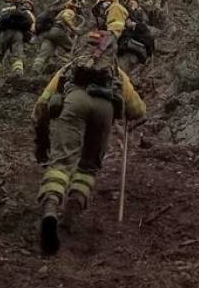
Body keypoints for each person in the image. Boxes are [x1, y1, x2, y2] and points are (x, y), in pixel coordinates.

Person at [32, 30, 146, 255]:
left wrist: (40, 129)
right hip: (105, 110)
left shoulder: (70, 68)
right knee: (89, 165)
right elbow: (139, 110)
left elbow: (43, 102)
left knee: (62, 162)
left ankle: (51, 207)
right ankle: (72, 212)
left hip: (74, 100)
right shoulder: (115, 73)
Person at [0, 0, 36, 76]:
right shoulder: (26, 12)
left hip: (4, 33)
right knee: (17, 55)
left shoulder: (5, 10)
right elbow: (32, 26)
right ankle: (18, 74)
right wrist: (29, 37)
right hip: (18, 34)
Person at [32, 0, 82, 74]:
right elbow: (65, 17)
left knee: (43, 54)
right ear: (75, 7)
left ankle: (35, 69)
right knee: (73, 48)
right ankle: (64, 65)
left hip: (48, 33)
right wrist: (74, 28)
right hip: (58, 31)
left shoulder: (59, 12)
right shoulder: (70, 11)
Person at [119, 0, 154, 70]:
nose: (132, 3)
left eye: (133, 1)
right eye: (130, 1)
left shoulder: (139, 12)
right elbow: (127, 22)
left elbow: (144, 22)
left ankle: (148, 57)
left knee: (148, 38)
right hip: (127, 34)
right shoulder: (125, 10)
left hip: (137, 32)